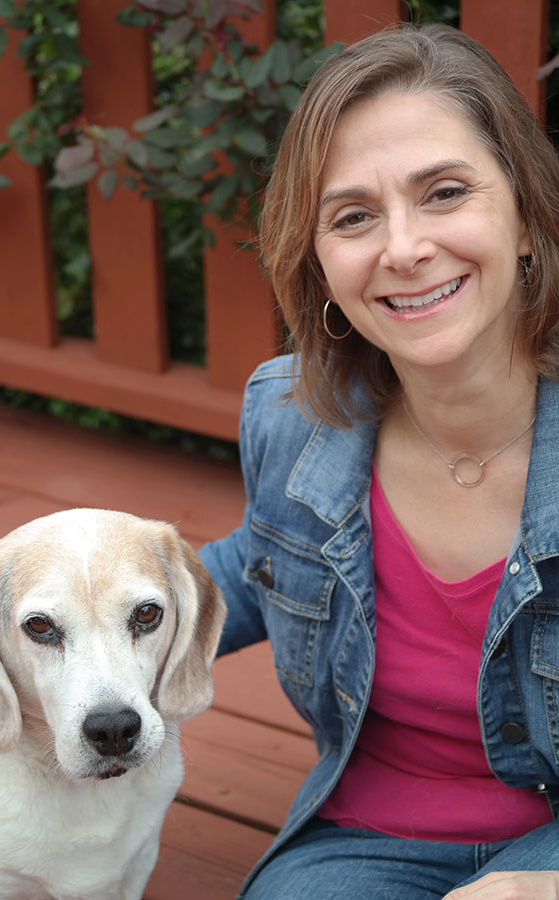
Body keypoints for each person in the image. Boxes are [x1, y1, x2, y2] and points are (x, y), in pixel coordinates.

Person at [199, 22, 559, 899]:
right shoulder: (295, 417)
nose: (402, 248)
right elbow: (254, 571)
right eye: (354, 216)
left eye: (443, 192)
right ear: (322, 265)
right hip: (365, 837)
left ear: (524, 217)